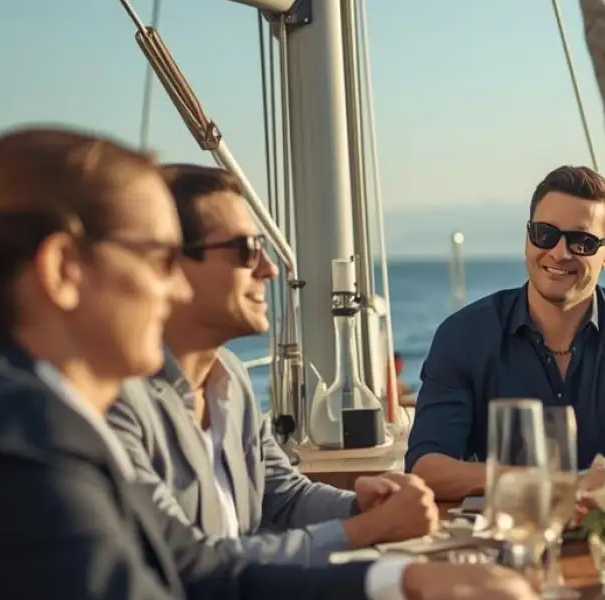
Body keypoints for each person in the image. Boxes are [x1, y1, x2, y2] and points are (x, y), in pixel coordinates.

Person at [0, 126, 534, 599]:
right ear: (63, 269)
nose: (176, 286)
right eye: (158, 259)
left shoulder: (30, 404)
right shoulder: (8, 433)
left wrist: (402, 582)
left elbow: (195, 575)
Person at [107, 164, 439, 566]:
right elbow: (185, 564)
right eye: (246, 249)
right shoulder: (116, 402)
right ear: (170, 265)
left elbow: (281, 496)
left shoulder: (231, 378)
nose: (269, 268)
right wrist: (369, 530)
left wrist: (362, 506)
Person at [405, 166, 605, 500]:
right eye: (545, 234)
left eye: (582, 241)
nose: (559, 252)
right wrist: (537, 482)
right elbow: (426, 468)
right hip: (506, 537)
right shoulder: (464, 336)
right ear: (528, 237)